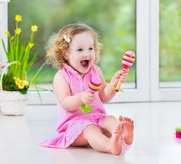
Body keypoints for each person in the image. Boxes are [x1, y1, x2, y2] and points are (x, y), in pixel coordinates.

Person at [40, 23, 134, 155]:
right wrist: (80, 98)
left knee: (111, 120)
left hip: (97, 118)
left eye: (90, 48)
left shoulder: (96, 71)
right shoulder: (61, 77)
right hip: (74, 126)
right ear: (66, 54)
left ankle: (125, 135)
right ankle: (108, 145)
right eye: (80, 50)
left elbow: (104, 96)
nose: (87, 53)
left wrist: (114, 83)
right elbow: (66, 103)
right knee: (91, 130)